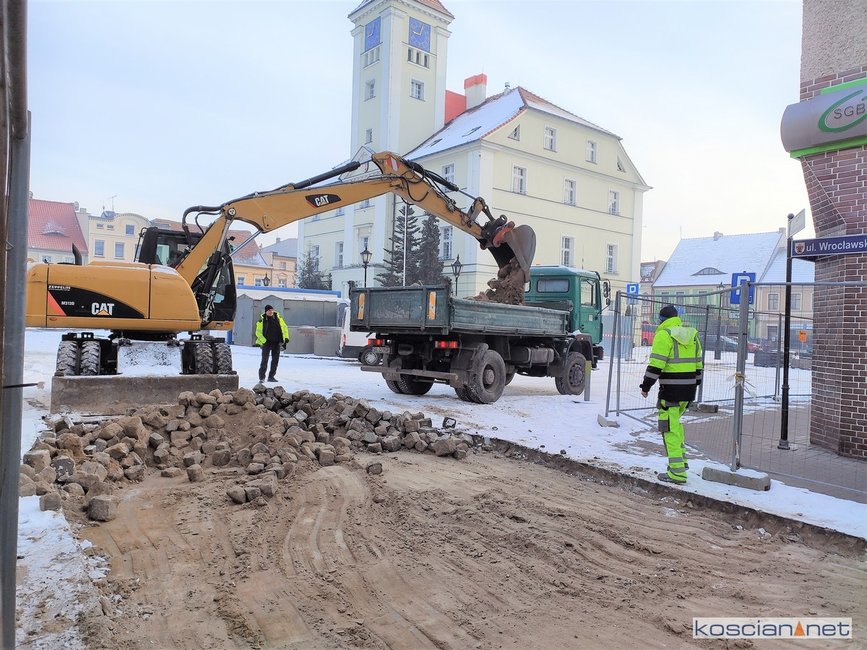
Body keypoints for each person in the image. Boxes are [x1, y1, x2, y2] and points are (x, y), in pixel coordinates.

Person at [639, 304, 703, 484]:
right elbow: (698, 365)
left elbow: (656, 365)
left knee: (669, 429)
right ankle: (682, 462)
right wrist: (694, 385)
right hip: (688, 390)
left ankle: (677, 472)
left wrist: (646, 386)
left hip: (670, 390)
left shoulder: (664, 335)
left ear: (662, 320)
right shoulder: (693, 336)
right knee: (676, 425)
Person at [255, 304, 289, 383]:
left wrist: (286, 338)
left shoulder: (278, 318)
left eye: (271, 310)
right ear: (266, 311)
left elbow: (284, 328)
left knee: (275, 361)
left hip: (276, 342)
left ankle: (271, 376)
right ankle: (262, 377)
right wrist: (264, 341)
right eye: (269, 310)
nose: (271, 312)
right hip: (266, 343)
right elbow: (258, 333)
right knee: (264, 360)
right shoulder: (262, 321)